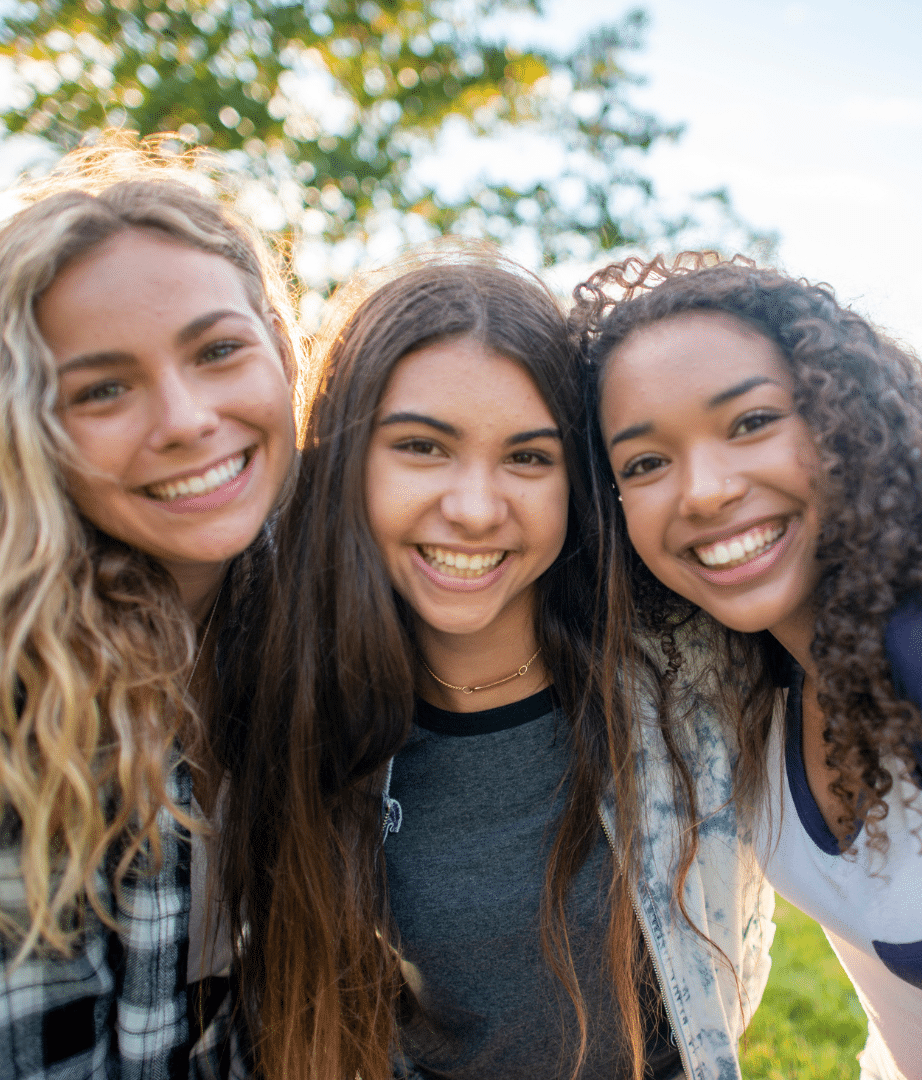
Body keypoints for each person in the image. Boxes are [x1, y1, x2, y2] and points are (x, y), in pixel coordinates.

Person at [217, 249, 773, 1080]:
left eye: (527, 457)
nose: (475, 509)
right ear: (345, 461)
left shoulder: (689, 666)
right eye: (422, 447)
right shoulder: (298, 699)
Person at [0, 145, 300, 1080]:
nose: (184, 418)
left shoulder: (300, 604)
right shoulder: (8, 696)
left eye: (218, 351)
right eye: (103, 390)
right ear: (21, 434)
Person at [578, 254, 922, 1080]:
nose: (702, 491)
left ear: (843, 421)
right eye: (646, 463)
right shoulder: (741, 675)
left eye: (750, 422)